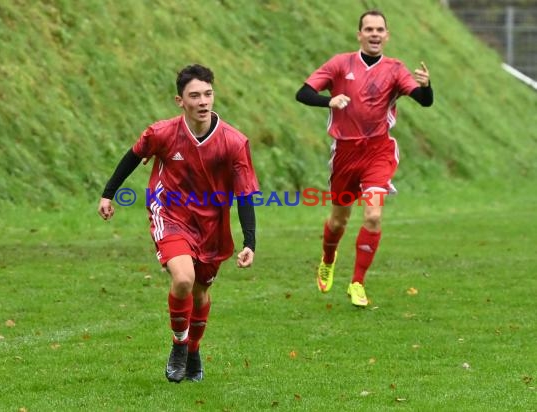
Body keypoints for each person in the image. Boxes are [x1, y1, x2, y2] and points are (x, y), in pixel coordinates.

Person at [98, 64, 259, 382]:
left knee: (200, 294)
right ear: (180, 101)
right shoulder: (162, 133)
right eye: (194, 95)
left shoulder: (234, 142)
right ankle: (179, 346)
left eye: (208, 94)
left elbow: (244, 194)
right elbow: (133, 155)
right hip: (169, 214)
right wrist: (108, 194)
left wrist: (249, 242)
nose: (203, 101)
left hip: (212, 224)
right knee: (183, 279)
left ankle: (194, 351)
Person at [295, 9, 433, 307]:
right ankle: (328, 259)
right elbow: (303, 93)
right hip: (345, 152)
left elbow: (423, 101)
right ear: (359, 34)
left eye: (379, 30)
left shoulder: (396, 69)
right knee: (338, 218)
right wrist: (328, 100)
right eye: (368, 29)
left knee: (372, 214)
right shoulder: (339, 63)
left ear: (387, 35)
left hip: (377, 151)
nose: (374, 34)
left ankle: (357, 282)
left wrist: (426, 86)